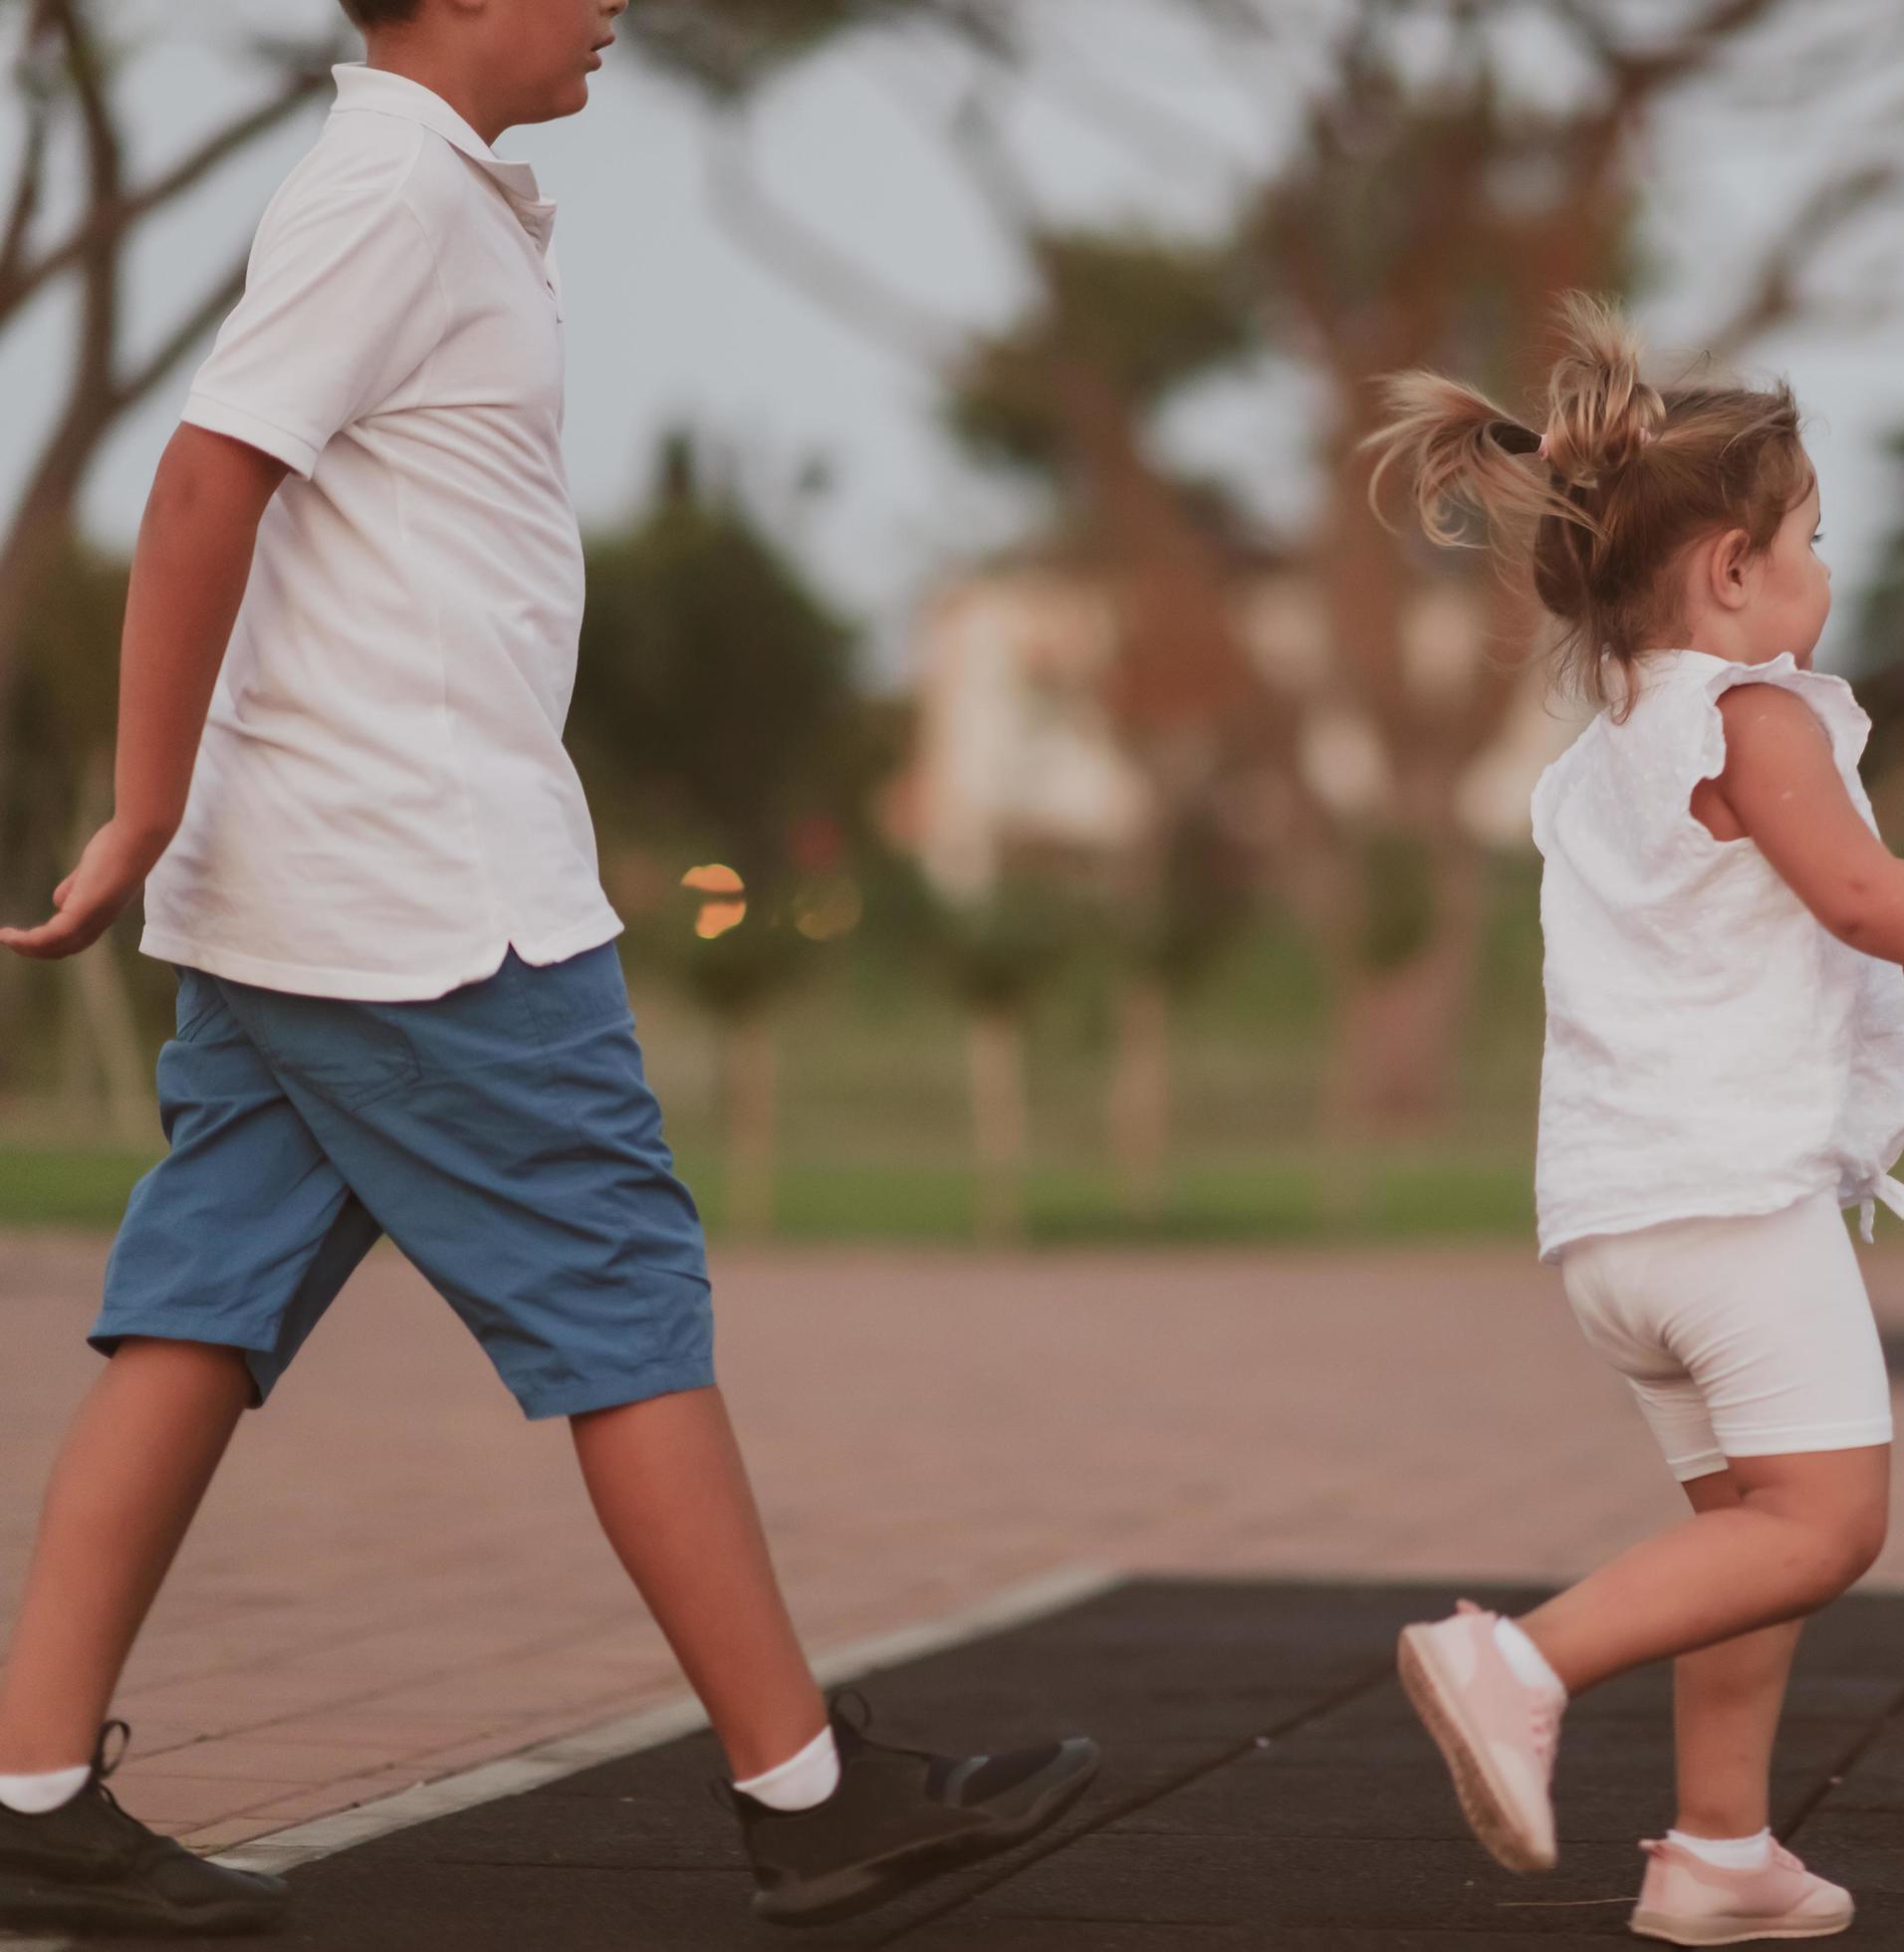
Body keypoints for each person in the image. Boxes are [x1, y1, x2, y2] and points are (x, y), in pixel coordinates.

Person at [0, 1, 1092, 1934]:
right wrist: (144, 805)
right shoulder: (388, 191)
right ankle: (804, 1789)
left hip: (328, 886)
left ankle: (27, 1784)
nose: (617, 7)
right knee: (620, 1286)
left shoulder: (440, 191)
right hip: (420, 896)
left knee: (202, 1298)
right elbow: (197, 485)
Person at [1362, 299, 1904, 1946]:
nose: (1828, 572)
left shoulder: (1604, 751)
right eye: (1814, 537)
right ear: (1731, 572)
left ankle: (1719, 1852)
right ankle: (1515, 1663)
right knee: (1829, 1522)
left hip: (1613, 1225)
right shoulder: (1760, 715)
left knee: (1747, 1533)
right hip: (1734, 1209)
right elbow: (1866, 897)